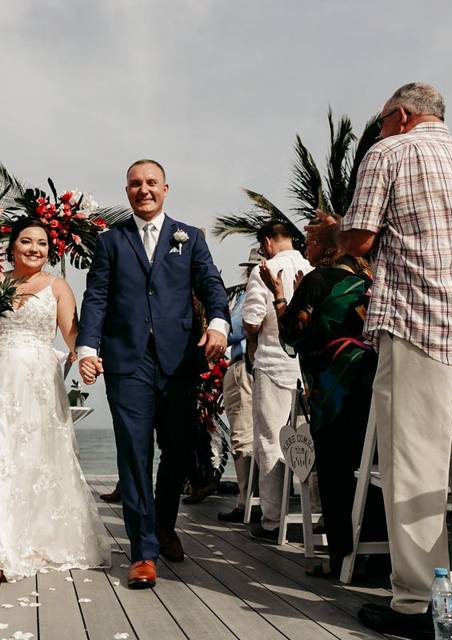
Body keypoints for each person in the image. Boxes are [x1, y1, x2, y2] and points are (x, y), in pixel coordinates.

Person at [340, 83, 452, 638]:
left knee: (415, 466)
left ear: (400, 115)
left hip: (423, 321)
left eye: (381, 122)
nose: (378, 132)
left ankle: (423, 604)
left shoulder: (390, 151)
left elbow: (361, 237)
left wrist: (338, 235)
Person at [78, 159, 230, 588]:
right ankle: (143, 550)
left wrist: (218, 323)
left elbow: (212, 285)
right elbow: (97, 297)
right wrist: (88, 348)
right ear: (127, 191)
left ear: (165, 188)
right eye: (134, 184)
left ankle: (164, 525)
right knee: (133, 452)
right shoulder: (110, 241)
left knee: (179, 449)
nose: (143, 190)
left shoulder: (191, 237)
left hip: (179, 360)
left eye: (150, 183)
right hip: (126, 361)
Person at [0, 219, 110, 589]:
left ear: (49, 250)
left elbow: (74, 335)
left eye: (41, 243)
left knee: (33, 461)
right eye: (26, 241)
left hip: (38, 383)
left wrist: (86, 358)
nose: (34, 248)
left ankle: (32, 538)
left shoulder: (58, 287)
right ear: (12, 246)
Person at [260, 211, 386, 578]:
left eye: (312, 241)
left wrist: (281, 297)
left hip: (332, 390)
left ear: (329, 247)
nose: (306, 246)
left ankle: (343, 559)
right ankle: (380, 556)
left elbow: (293, 335)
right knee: (374, 469)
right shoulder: (371, 278)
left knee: (335, 472)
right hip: (374, 384)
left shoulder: (319, 280)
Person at [242, 221, 312, 543]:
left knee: (271, 441)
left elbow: (252, 321)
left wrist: (251, 338)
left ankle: (272, 520)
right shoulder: (310, 268)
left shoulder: (264, 270)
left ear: (268, 241)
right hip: (305, 370)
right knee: (306, 442)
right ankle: (313, 515)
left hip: (273, 366)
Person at [217, 249, 259, 523]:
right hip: (257, 366)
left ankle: (246, 502)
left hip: (244, 366)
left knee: (242, 435)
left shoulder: (251, 294)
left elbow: (233, 330)